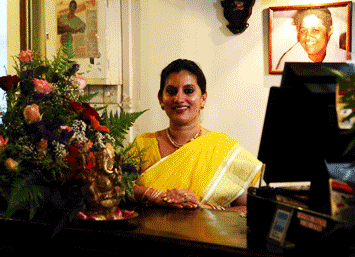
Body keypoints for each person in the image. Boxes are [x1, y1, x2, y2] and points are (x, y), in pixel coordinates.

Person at [131, 59, 264, 211]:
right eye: (171, 91)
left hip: (204, 234)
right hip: (149, 234)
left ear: (203, 98)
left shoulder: (222, 148)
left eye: (188, 91)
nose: (179, 99)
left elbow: (248, 208)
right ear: (161, 99)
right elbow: (114, 188)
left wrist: (202, 208)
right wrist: (153, 195)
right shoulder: (143, 144)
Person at [276, 8, 347, 70]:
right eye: (303, 31)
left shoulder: (342, 58)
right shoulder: (289, 61)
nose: (307, 37)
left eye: (315, 30)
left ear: (330, 30)